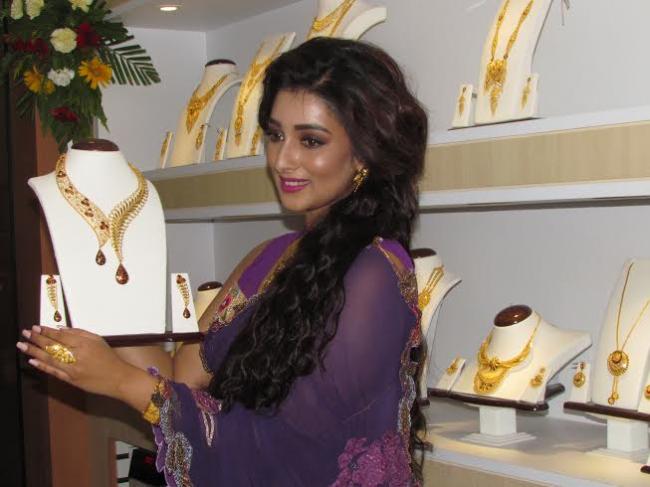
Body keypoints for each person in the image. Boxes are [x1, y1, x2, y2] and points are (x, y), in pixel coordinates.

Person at [17, 37, 428, 486]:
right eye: (275, 135)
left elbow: (298, 450)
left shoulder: (374, 272)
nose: (283, 160)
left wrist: (119, 381)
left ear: (366, 151)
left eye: (311, 140)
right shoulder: (271, 256)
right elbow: (181, 374)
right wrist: (97, 287)